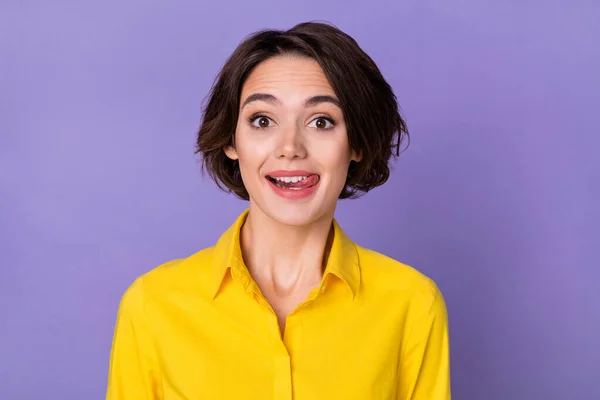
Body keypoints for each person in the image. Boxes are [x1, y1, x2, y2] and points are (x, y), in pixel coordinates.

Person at [106, 21, 451, 400]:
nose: (290, 147)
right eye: (262, 120)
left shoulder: (412, 304)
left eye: (321, 122)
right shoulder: (152, 305)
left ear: (357, 144)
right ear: (231, 140)